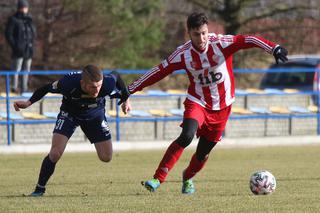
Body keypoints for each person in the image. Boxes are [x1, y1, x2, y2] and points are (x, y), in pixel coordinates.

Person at [123, 12, 288, 194]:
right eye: (196, 34)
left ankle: (188, 177)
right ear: (189, 33)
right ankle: (157, 178)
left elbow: (247, 39)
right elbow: (158, 71)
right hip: (198, 102)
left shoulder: (220, 43)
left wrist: (274, 48)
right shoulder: (183, 54)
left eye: (203, 33)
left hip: (223, 107)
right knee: (186, 136)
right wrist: (130, 89)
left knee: (202, 153)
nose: (201, 38)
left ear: (207, 30)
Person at [13, 65, 131, 196]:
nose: (97, 90)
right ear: (82, 83)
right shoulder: (68, 83)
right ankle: (39, 189)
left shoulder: (107, 84)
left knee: (106, 157)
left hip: (95, 115)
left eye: (99, 85)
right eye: (93, 87)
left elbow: (117, 75)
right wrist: (28, 103)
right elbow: (46, 87)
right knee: (55, 153)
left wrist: (126, 99)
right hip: (70, 114)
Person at [5, 0, 36, 93]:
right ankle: (14, 88)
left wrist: (32, 43)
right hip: (18, 50)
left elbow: (33, 32)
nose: (24, 9)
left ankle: (24, 88)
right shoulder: (13, 19)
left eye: (25, 7)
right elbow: (8, 34)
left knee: (26, 70)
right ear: (19, 8)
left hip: (28, 49)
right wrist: (15, 46)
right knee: (16, 69)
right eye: (22, 7)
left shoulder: (29, 19)